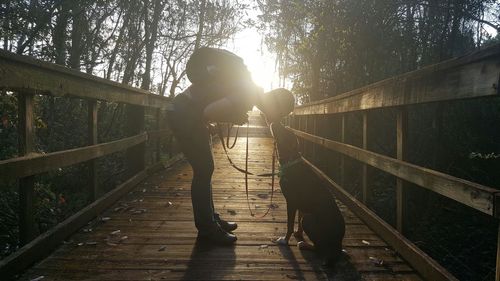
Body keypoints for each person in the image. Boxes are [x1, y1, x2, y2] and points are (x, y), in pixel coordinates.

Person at [169, 47, 294, 245]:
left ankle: (210, 220)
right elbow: (208, 112)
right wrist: (232, 116)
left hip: (185, 111)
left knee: (205, 170)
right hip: (184, 115)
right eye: (279, 114)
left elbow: (208, 103)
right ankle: (207, 229)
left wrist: (229, 115)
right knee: (204, 170)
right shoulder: (246, 92)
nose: (275, 118)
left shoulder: (248, 88)